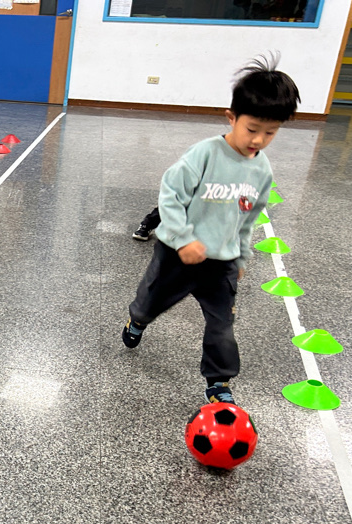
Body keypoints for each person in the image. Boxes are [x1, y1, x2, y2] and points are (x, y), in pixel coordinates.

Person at [121, 53, 300, 406]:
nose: (259, 140)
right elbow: (170, 195)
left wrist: (241, 255)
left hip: (222, 262)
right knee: (149, 303)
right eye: (252, 129)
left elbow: (248, 217)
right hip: (178, 255)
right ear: (231, 117)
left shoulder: (262, 171)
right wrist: (184, 239)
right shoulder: (204, 154)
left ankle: (219, 381)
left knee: (222, 324)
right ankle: (137, 322)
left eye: (270, 133)